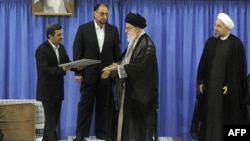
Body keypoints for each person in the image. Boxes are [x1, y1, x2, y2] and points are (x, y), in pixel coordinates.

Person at [101, 12, 159, 141]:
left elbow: (139, 67)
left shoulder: (147, 44)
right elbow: (125, 61)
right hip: (131, 92)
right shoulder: (135, 42)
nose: (125, 30)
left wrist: (116, 68)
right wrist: (113, 67)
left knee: (139, 129)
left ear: (136, 29)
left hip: (142, 95)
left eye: (128, 28)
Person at [192, 13, 248, 141]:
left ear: (227, 28)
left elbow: (240, 70)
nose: (215, 28)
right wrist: (201, 81)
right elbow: (203, 64)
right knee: (209, 117)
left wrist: (230, 85)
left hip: (226, 94)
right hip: (210, 90)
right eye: (215, 25)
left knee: (223, 119)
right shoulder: (211, 42)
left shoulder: (236, 44)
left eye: (219, 26)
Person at [72, 3, 121, 141]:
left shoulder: (113, 30)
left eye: (106, 14)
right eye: (102, 13)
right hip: (88, 75)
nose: (104, 16)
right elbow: (78, 51)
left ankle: (103, 135)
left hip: (106, 76)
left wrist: (114, 73)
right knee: (84, 107)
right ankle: (80, 136)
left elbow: (116, 55)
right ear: (94, 13)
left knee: (104, 107)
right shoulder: (83, 29)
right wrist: (78, 72)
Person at [35, 23, 72, 141]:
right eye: (59, 35)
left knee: (52, 122)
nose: (62, 37)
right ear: (50, 36)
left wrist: (80, 67)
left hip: (58, 91)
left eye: (62, 34)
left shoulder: (62, 48)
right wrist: (61, 69)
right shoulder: (41, 50)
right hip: (47, 92)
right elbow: (45, 70)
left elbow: (67, 63)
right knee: (51, 124)